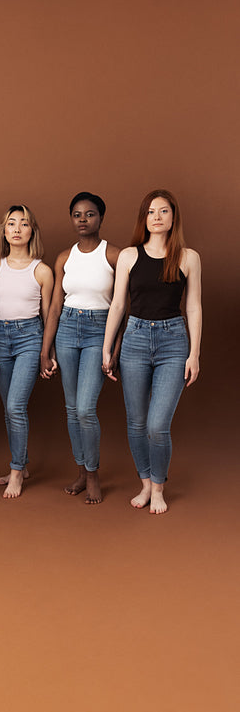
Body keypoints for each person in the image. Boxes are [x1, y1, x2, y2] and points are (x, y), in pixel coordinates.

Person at [102, 189, 201, 514]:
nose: (157, 217)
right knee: (136, 421)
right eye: (151, 212)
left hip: (174, 340)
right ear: (144, 218)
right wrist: (107, 346)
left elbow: (194, 307)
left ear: (173, 217)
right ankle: (145, 484)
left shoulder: (188, 257)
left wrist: (194, 354)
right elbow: (118, 304)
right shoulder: (130, 256)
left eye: (163, 211)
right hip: (135, 339)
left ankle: (159, 487)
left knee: (158, 425)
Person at [41, 192, 120, 504]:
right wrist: (45, 351)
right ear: (71, 218)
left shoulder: (114, 255)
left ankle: (94, 473)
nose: (83, 220)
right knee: (72, 409)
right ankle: (81, 472)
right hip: (68, 329)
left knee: (86, 408)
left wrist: (114, 345)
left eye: (89, 214)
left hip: (99, 331)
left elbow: (123, 305)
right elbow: (55, 309)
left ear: (100, 217)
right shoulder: (64, 257)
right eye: (77, 214)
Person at [0, 205, 53, 498]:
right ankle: (23, 462)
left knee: (16, 406)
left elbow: (48, 315)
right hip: (1, 338)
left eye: (24, 224)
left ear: (32, 231)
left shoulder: (42, 270)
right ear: (4, 230)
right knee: (9, 407)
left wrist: (46, 353)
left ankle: (16, 470)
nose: (17, 229)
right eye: (11, 223)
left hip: (30, 337)